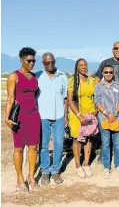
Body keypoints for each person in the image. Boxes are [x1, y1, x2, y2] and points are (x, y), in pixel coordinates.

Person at [5, 47, 41, 191]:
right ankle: (20, 178)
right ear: (21, 60)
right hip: (19, 117)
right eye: (29, 60)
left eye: (34, 61)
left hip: (33, 115)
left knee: (33, 147)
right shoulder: (14, 76)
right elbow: (10, 99)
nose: (32, 63)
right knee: (19, 148)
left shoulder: (34, 77)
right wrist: (6, 118)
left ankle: (31, 176)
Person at [95, 42, 119, 162]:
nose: (118, 50)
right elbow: (97, 80)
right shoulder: (105, 63)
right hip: (106, 104)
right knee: (105, 131)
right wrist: (97, 98)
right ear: (112, 50)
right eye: (116, 48)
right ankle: (104, 155)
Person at [36, 53, 68, 185]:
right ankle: (45, 171)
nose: (50, 65)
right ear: (43, 63)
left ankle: (55, 170)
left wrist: (66, 117)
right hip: (42, 117)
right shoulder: (37, 76)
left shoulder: (62, 76)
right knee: (43, 146)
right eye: (47, 63)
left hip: (59, 116)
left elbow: (65, 99)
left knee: (59, 145)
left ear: (55, 61)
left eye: (52, 62)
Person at [94, 65, 119, 179]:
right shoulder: (98, 86)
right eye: (106, 72)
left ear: (113, 73)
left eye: (110, 72)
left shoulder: (118, 85)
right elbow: (97, 102)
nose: (108, 74)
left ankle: (118, 166)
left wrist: (115, 113)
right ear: (102, 73)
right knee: (106, 143)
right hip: (104, 119)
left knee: (117, 143)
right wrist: (107, 114)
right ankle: (106, 167)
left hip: (116, 118)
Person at [67, 59, 97, 178]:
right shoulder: (72, 81)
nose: (84, 67)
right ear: (77, 67)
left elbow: (95, 96)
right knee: (77, 139)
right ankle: (78, 165)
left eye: (85, 65)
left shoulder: (92, 80)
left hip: (90, 113)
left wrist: (96, 110)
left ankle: (86, 164)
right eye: (81, 65)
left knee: (88, 139)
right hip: (76, 114)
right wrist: (79, 115)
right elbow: (69, 100)